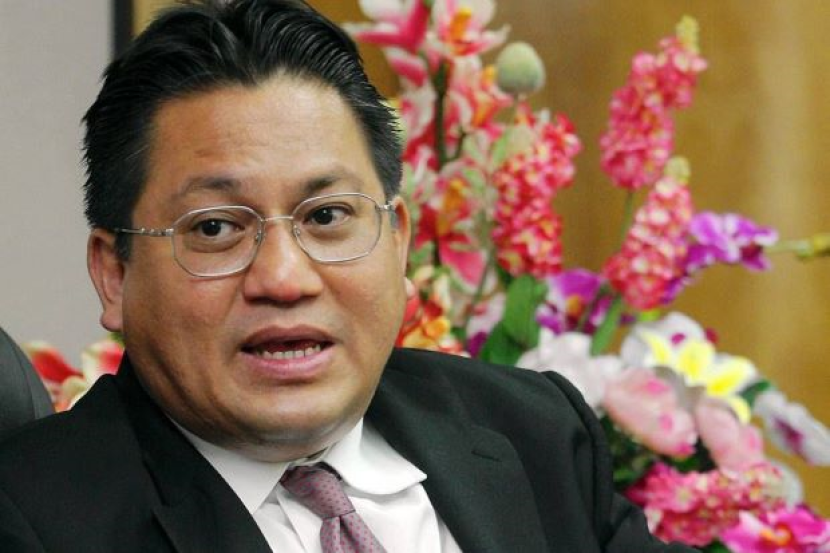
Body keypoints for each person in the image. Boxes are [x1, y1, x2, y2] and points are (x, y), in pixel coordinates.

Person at [0, 1, 697, 551]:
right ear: (114, 274)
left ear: (398, 241)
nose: (284, 278)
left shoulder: (534, 432)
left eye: (328, 215)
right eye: (215, 228)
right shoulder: (36, 519)